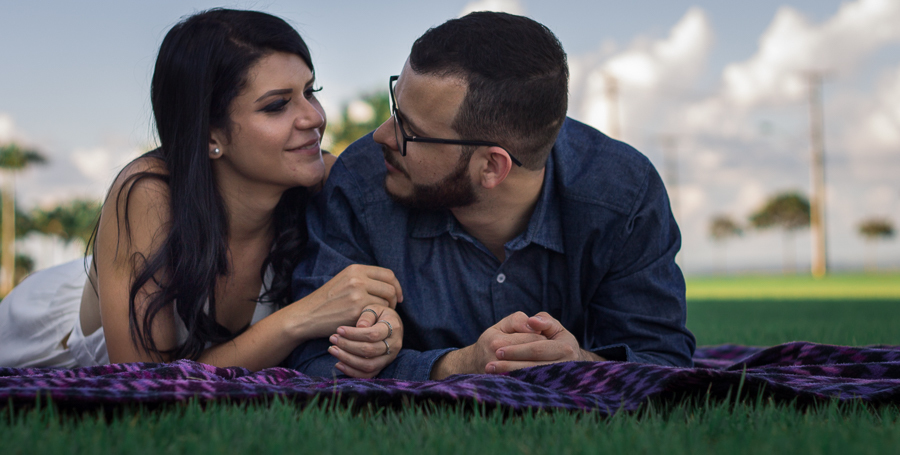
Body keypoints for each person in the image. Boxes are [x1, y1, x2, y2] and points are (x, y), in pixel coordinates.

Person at [287, 11, 695, 381]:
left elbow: (663, 361)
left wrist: (580, 364)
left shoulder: (622, 196)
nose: (381, 136)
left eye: (409, 130)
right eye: (396, 107)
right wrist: (455, 366)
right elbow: (311, 360)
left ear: (492, 167)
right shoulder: (360, 181)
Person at [0, 9, 403, 378]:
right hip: (39, 341)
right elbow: (145, 382)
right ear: (211, 135)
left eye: (311, 91)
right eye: (277, 105)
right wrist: (299, 319)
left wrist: (382, 323)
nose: (314, 117)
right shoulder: (148, 193)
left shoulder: (323, 179)